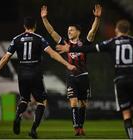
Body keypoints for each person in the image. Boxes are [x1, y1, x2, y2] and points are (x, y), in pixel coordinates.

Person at [56, 19, 133, 139]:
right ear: (129, 31)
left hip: (119, 80)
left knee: (126, 112)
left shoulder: (112, 42)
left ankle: (132, 138)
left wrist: (70, 49)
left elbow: (91, 48)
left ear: (116, 30)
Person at [0, 16, 76, 139]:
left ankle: (18, 116)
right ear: (35, 26)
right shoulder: (39, 38)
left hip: (22, 73)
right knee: (41, 101)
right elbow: (52, 54)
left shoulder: (16, 39)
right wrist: (67, 64)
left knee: (24, 99)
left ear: (24, 26)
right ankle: (33, 129)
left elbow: (5, 58)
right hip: (35, 72)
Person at [40, 4, 102, 136]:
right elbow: (52, 32)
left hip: (83, 76)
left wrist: (97, 18)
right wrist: (44, 19)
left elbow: (93, 31)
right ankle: (77, 128)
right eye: (68, 30)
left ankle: (81, 125)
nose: (69, 32)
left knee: (83, 103)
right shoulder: (64, 43)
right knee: (73, 102)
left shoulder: (84, 43)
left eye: (72, 30)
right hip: (71, 77)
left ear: (78, 32)